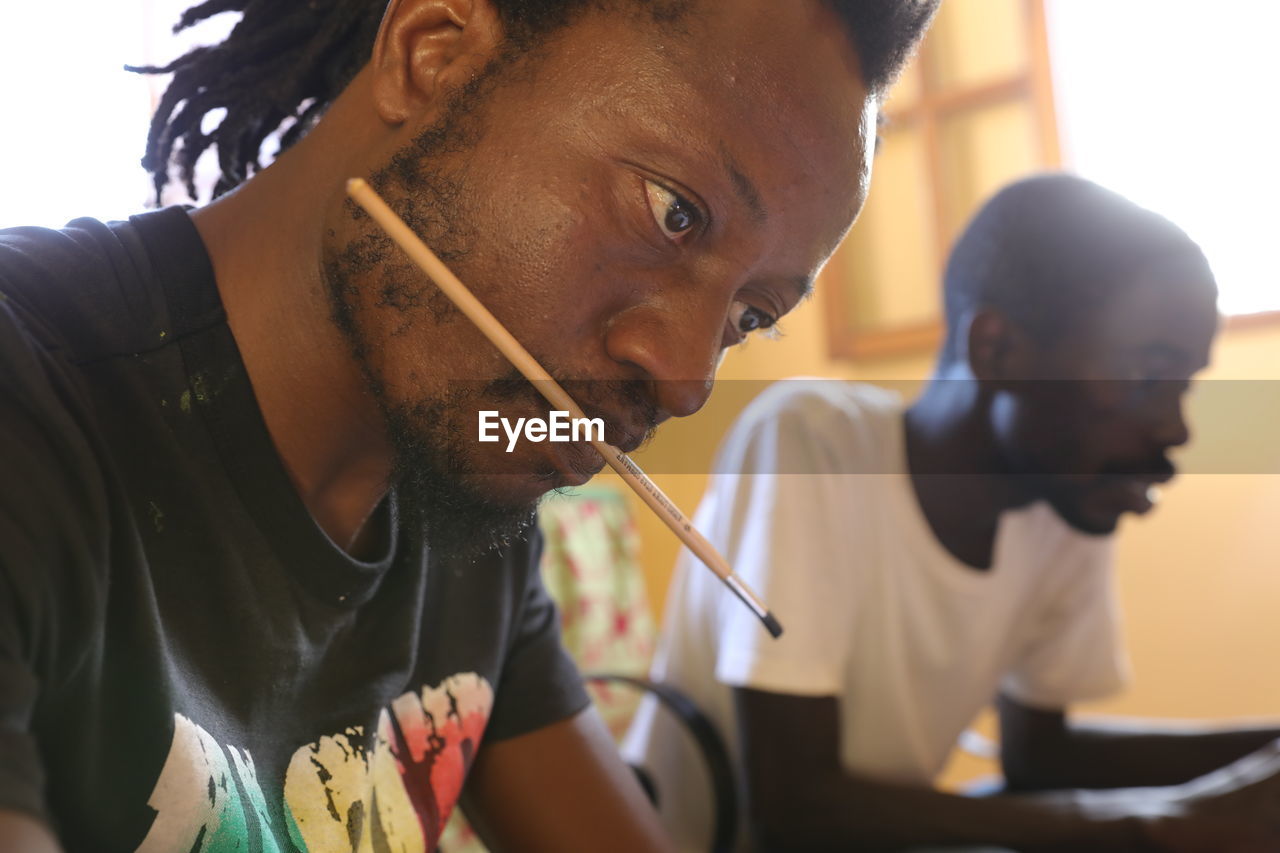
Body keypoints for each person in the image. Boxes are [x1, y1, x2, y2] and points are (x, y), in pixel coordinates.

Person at [0, 0, 940, 850]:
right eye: (674, 212)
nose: (686, 375)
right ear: (432, 52)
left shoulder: (467, 485)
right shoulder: (35, 406)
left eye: (750, 315)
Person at [625, 173, 1280, 852]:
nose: (1176, 430)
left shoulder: (1061, 498)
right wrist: (1161, 827)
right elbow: (798, 808)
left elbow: (1040, 760)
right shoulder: (811, 442)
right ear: (997, 350)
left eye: (1183, 387)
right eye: (1148, 378)